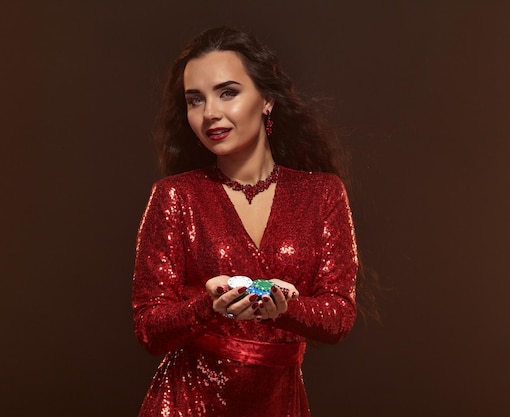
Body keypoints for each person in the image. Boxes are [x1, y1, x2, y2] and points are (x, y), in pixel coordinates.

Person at [132, 26, 359, 417]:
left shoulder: (322, 193)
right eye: (194, 100)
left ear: (267, 99)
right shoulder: (176, 195)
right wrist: (208, 306)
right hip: (187, 404)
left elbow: (338, 316)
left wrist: (286, 307)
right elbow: (149, 328)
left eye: (228, 92)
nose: (210, 114)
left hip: (278, 403)